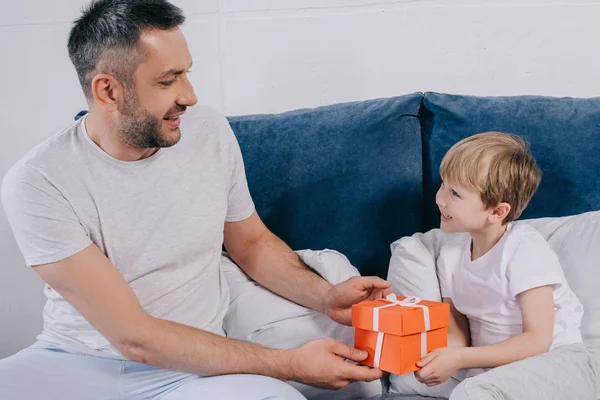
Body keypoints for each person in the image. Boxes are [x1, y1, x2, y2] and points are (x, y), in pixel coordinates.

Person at [0, 1, 391, 398]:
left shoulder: (207, 132)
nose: (189, 96)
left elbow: (251, 244)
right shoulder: (38, 181)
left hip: (192, 369)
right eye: (168, 81)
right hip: (75, 362)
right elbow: (136, 337)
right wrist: (290, 364)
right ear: (108, 91)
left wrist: (326, 297)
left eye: (187, 73)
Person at [411, 132, 596, 399]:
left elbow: (537, 340)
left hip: (556, 363)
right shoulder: (450, 255)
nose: (440, 199)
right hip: (495, 373)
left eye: (455, 193)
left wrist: (461, 357)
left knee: (470, 393)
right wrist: (441, 358)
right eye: (443, 185)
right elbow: (457, 331)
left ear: (497, 212)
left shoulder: (524, 248)